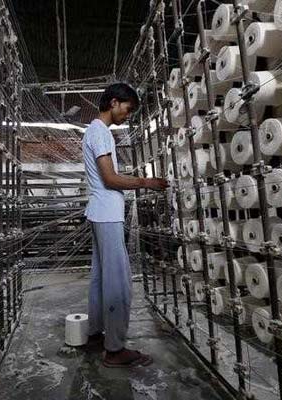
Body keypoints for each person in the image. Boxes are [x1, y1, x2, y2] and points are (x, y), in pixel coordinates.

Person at [81, 83, 168, 368]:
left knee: (100, 280)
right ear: (115, 102)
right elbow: (111, 179)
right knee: (118, 283)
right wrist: (147, 182)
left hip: (98, 212)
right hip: (107, 214)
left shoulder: (92, 131)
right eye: (128, 110)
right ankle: (115, 350)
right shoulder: (101, 132)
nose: (128, 116)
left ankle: (95, 334)